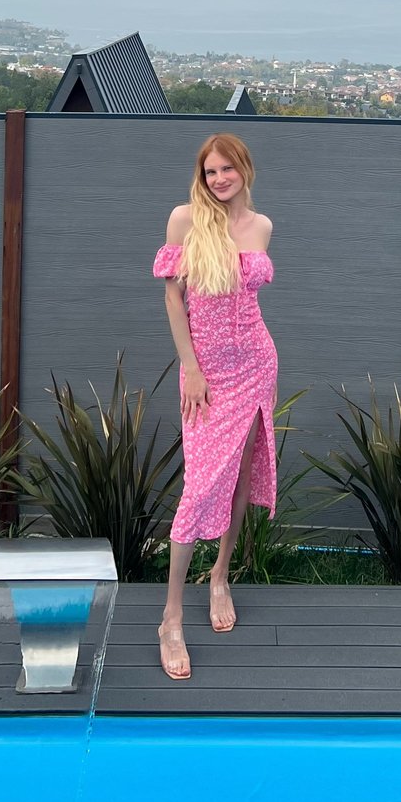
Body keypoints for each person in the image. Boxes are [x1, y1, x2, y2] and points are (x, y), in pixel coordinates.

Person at [153, 132, 278, 681]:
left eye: (227, 169)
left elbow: (246, 302)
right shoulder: (185, 219)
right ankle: (171, 618)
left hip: (255, 365)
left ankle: (221, 575)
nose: (219, 179)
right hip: (204, 373)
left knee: (241, 475)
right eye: (210, 171)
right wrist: (192, 369)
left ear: (244, 169)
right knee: (200, 486)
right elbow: (173, 297)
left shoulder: (261, 227)